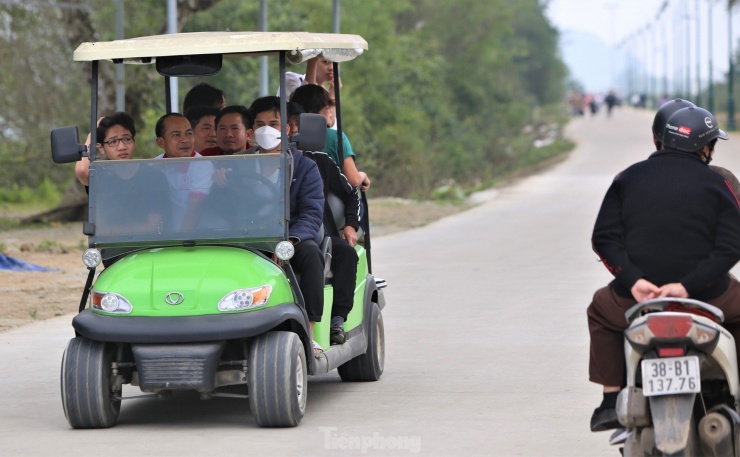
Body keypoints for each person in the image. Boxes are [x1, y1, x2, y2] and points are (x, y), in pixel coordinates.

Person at [587, 106, 740, 432]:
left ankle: (610, 401)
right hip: (707, 297)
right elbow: (731, 246)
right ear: (706, 148)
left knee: (601, 308)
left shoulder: (627, 178)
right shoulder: (718, 183)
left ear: (658, 141)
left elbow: (604, 238)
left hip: (637, 299)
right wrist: (688, 287)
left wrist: (635, 281)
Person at [247, 96, 326, 353]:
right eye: (260, 124)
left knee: (311, 256)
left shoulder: (305, 167)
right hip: (248, 236)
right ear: (251, 132)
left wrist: (288, 242)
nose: (267, 129)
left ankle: (310, 331)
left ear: (288, 129)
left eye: (274, 123)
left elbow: (312, 212)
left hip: (289, 239)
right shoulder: (238, 166)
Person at [288, 101, 360, 345]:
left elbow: (351, 192)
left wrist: (351, 224)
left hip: (316, 233)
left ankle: (336, 319)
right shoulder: (248, 164)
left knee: (345, 255)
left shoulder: (317, 161)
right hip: (267, 234)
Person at [290, 84, 370, 191]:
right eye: (327, 105)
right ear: (316, 110)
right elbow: (353, 180)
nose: (330, 110)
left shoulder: (288, 138)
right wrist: (363, 175)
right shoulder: (335, 137)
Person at [154, 113, 214, 230]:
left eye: (189, 133)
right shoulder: (154, 165)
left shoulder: (202, 165)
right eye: (177, 135)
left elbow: (194, 211)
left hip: (193, 238)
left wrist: (180, 241)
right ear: (161, 142)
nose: (185, 140)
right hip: (163, 238)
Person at [75, 112, 137, 187]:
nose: (122, 147)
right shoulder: (100, 176)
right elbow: (82, 170)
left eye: (127, 139)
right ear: (101, 148)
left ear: (134, 141)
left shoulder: (149, 170)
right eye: (113, 142)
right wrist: (91, 136)